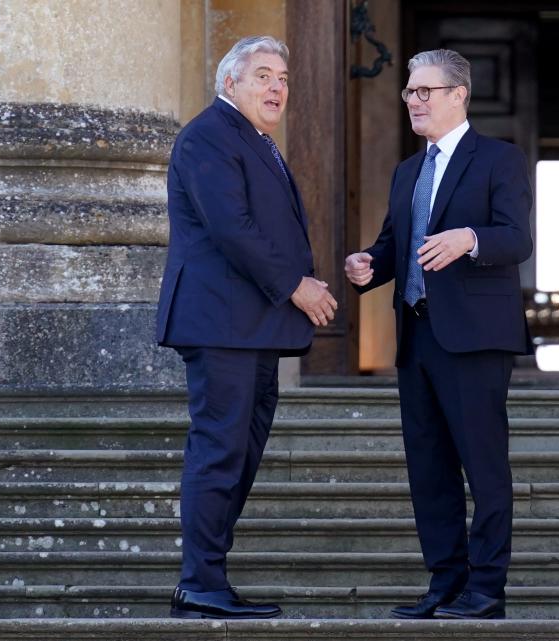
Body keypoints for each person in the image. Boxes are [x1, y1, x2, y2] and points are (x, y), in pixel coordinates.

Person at [345, 48, 533, 620]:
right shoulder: (408, 170)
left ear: (459, 96)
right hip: (417, 335)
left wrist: (469, 239)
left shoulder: (499, 159)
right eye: (409, 92)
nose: (413, 101)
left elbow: (517, 239)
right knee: (428, 469)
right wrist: (368, 266)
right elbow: (394, 247)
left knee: (484, 467)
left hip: (476, 338)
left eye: (425, 91)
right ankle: (445, 583)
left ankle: (486, 590)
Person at [157, 35, 337, 619]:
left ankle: (209, 575)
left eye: (283, 78)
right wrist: (297, 286)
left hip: (253, 328)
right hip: (221, 325)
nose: (277, 87)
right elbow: (232, 229)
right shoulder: (209, 134)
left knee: (241, 452)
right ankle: (200, 581)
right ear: (229, 83)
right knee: (219, 451)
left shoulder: (252, 139)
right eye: (263, 76)